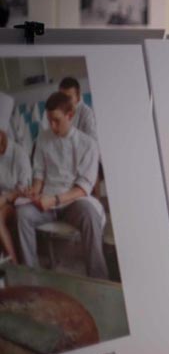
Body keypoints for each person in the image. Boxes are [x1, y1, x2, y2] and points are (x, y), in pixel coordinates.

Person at [16, 91, 108, 279]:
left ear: (70, 116)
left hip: (73, 201)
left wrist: (55, 199)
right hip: (48, 200)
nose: (52, 125)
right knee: (22, 214)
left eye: (56, 120)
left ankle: (98, 278)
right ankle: (32, 275)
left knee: (90, 215)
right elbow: (40, 173)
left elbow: (83, 187)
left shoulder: (88, 144)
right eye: (49, 120)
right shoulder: (43, 138)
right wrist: (34, 190)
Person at [0, 129, 31, 263]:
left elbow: (25, 191)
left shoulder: (19, 154)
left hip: (18, 201)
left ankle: (14, 264)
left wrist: (5, 198)